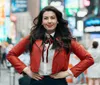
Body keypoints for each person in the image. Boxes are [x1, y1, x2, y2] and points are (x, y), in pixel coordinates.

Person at [6, 6, 94, 85]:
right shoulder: (32, 38)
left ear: (57, 21)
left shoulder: (66, 40)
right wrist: (26, 70)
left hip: (58, 82)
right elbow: (11, 54)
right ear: (41, 21)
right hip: (36, 81)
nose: (49, 21)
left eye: (52, 18)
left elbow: (88, 59)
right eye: (46, 18)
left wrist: (69, 72)